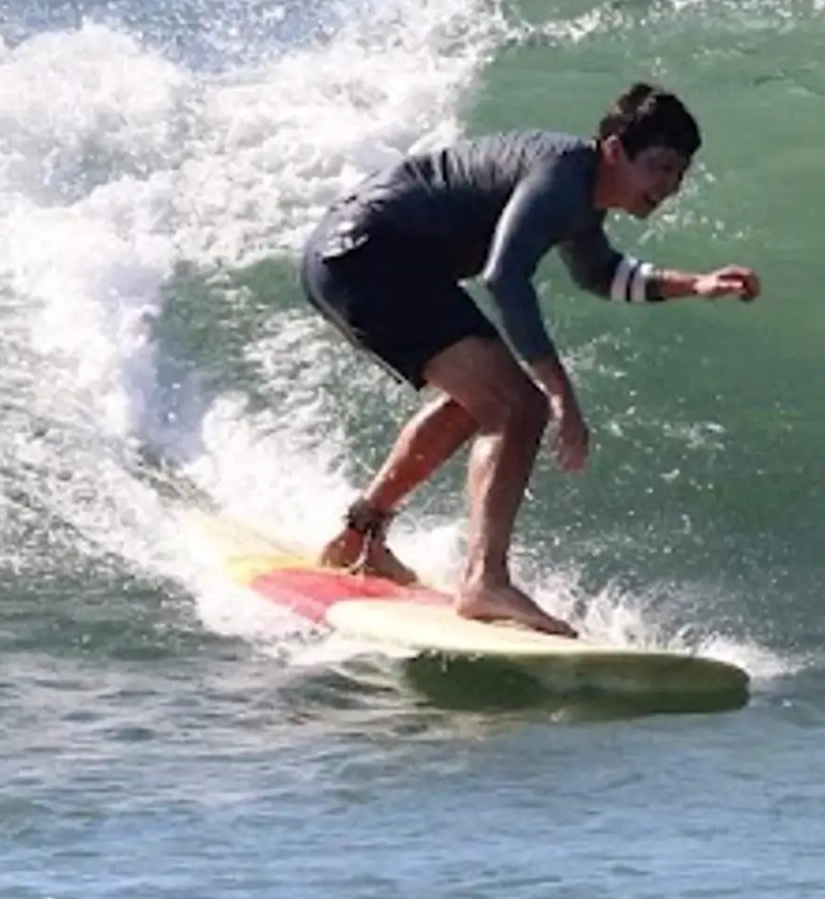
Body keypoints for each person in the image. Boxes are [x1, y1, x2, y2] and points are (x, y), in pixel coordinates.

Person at [295, 82, 759, 637]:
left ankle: (360, 535)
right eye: (660, 167)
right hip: (368, 254)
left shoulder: (580, 194)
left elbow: (600, 274)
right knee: (519, 407)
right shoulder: (562, 176)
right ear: (614, 150)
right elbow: (505, 275)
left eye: (679, 175)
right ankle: (484, 580)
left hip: (356, 256)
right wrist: (561, 394)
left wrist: (696, 283)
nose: (668, 187)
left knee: (483, 401)